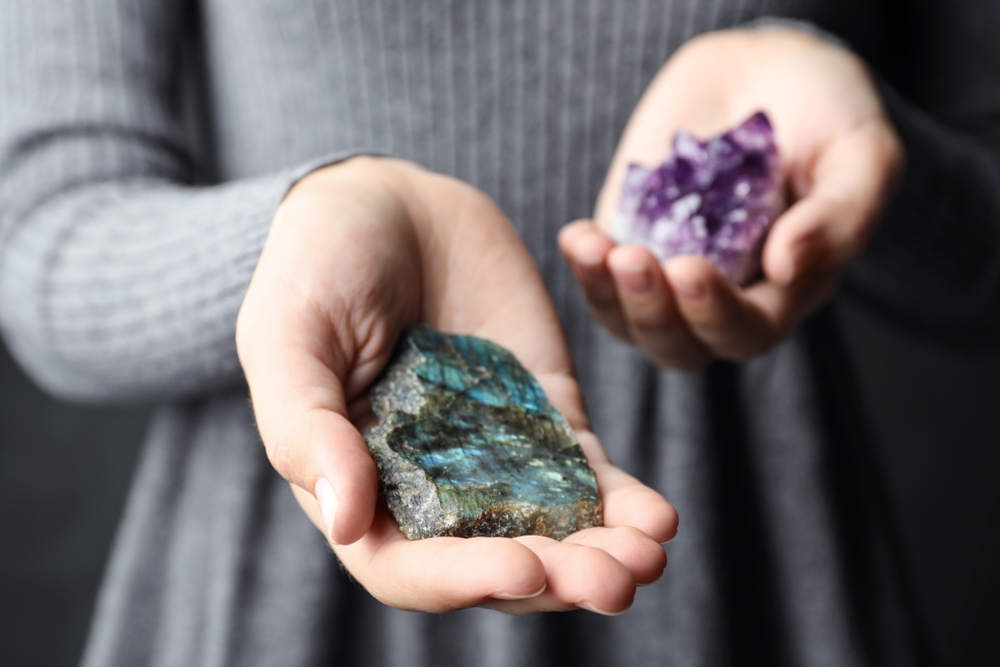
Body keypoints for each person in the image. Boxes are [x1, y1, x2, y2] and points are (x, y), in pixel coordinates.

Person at [1, 1, 997, 665]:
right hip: (290, 551)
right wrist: (289, 237)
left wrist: (868, 164)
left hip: (758, 560)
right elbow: (40, 225)